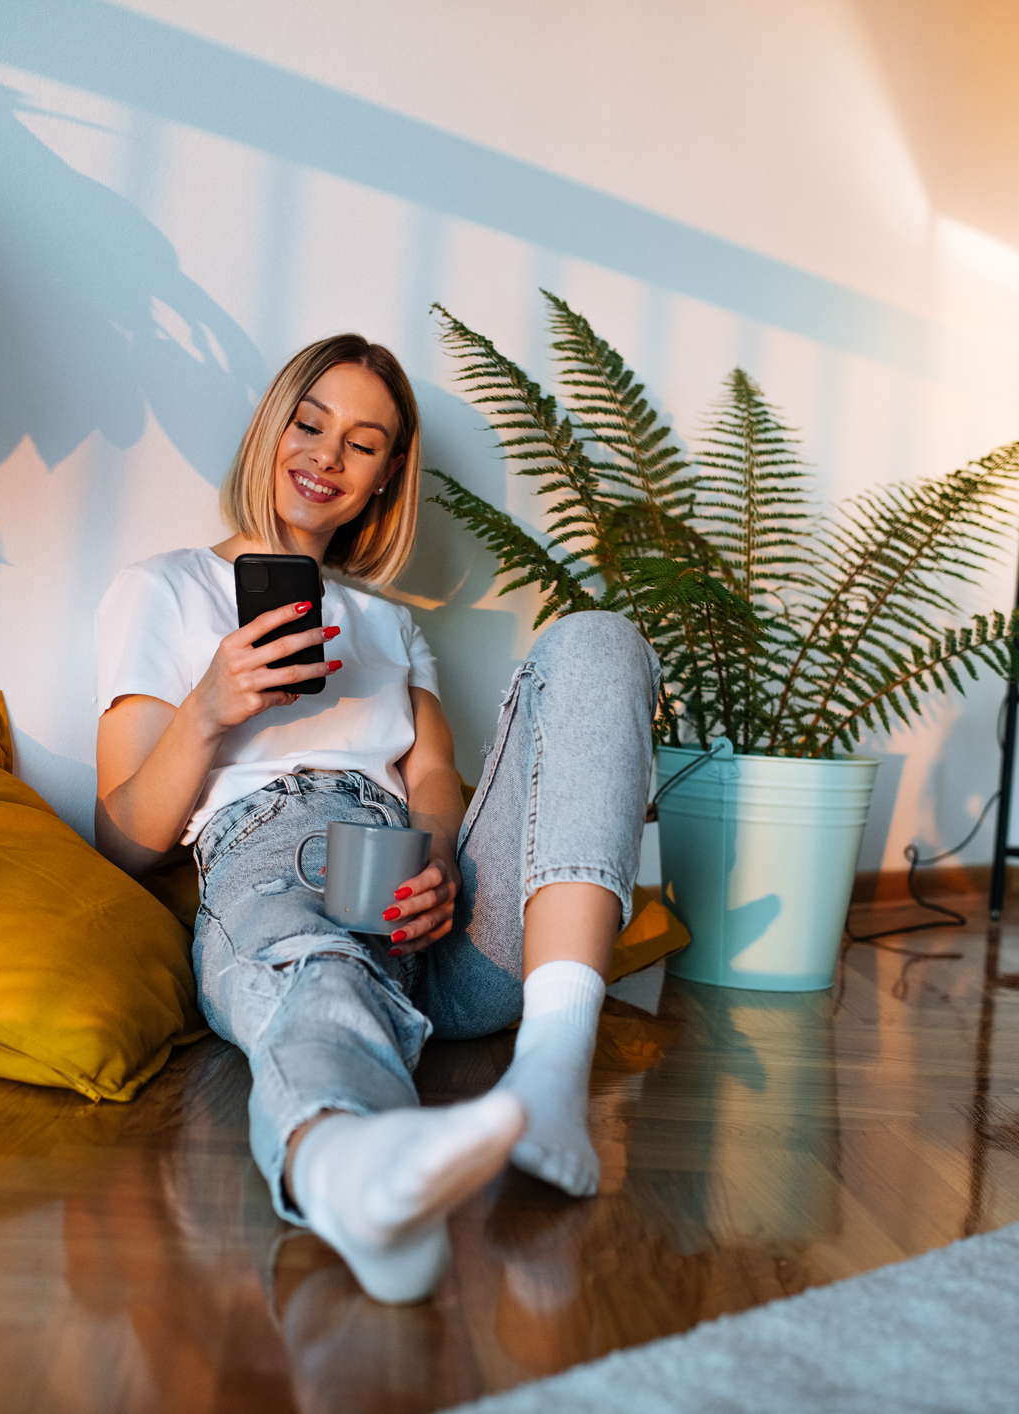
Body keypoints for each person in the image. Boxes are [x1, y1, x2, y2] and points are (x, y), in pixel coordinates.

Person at [93, 333, 659, 1303]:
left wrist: (436, 858)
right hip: (276, 864)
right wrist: (211, 708)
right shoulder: (169, 588)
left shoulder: (389, 623)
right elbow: (123, 835)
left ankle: (552, 1070)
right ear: (271, 429)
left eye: (364, 442)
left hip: (430, 916)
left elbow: (436, 775)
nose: (326, 456)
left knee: (603, 641)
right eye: (310, 424)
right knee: (318, 979)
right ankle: (344, 1172)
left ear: (388, 475)